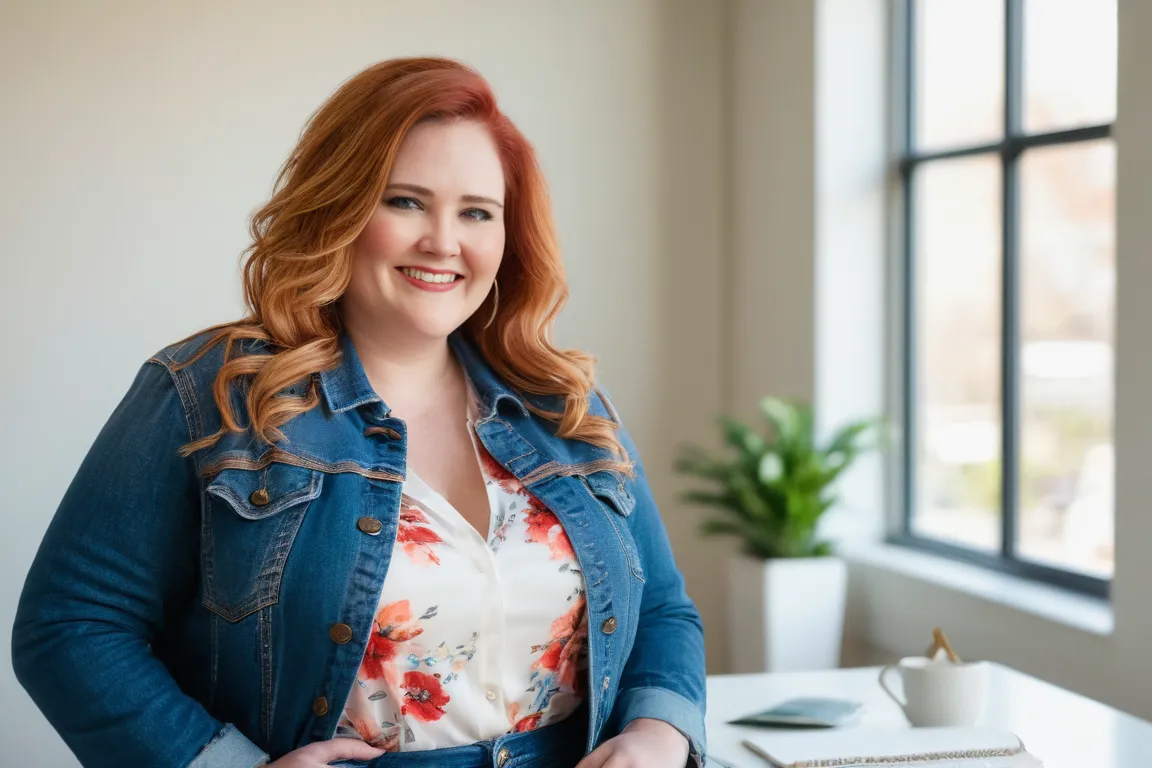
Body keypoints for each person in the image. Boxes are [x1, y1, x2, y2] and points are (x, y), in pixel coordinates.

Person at [12, 56, 706, 768]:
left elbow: (662, 610)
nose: (444, 241)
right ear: (339, 207)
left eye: (477, 212)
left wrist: (658, 734)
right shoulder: (209, 391)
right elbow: (70, 627)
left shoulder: (564, 404)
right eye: (405, 201)